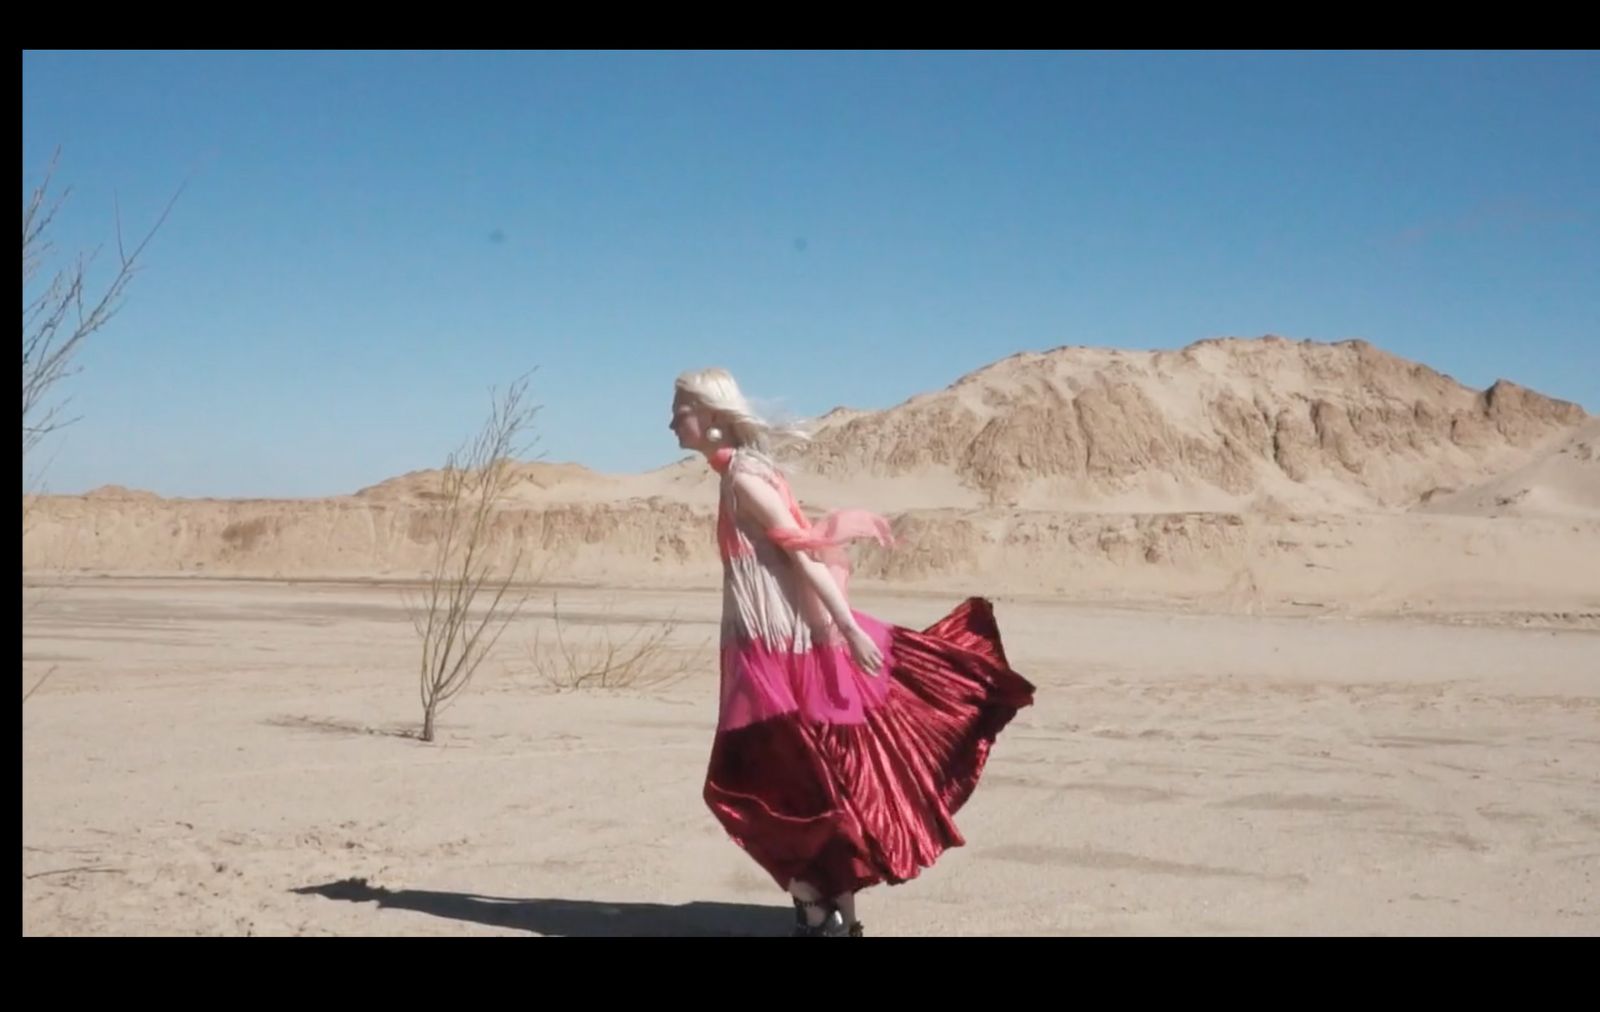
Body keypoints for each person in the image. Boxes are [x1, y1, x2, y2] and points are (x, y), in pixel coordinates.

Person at [670, 367, 1036, 937]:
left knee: (753, 787)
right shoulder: (741, 474)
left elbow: (802, 555)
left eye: (680, 409)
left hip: (774, 653)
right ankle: (832, 911)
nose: (672, 422)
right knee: (806, 781)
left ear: (711, 416)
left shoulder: (744, 477)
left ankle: (819, 908)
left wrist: (847, 626)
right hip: (767, 647)